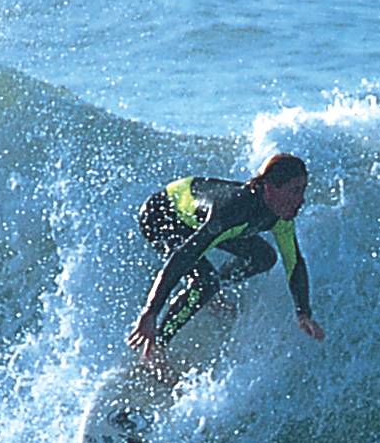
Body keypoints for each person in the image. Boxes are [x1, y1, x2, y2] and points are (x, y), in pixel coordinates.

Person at [127, 152, 325, 372]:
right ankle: (156, 350)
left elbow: (294, 262)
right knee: (205, 282)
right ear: (270, 188)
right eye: (295, 191)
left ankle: (207, 295)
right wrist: (151, 310)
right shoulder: (230, 213)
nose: (302, 200)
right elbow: (180, 259)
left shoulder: (280, 216)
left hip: (197, 218)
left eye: (303, 190)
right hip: (162, 215)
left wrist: (303, 313)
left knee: (264, 257)